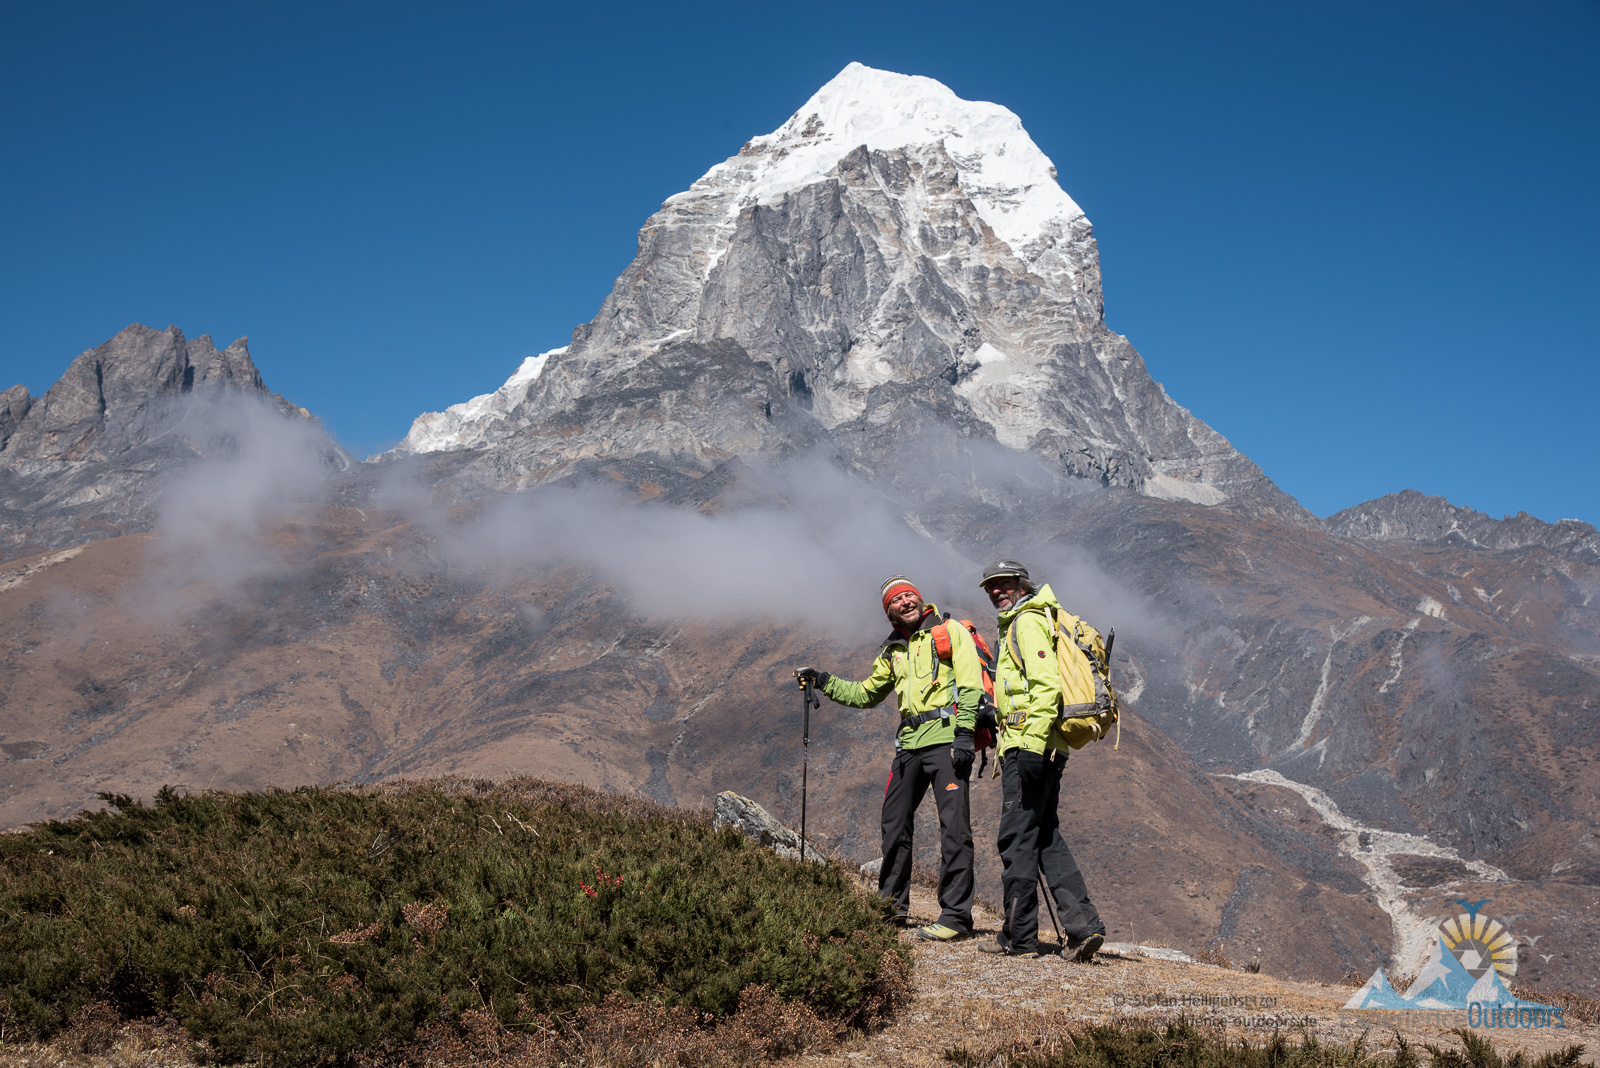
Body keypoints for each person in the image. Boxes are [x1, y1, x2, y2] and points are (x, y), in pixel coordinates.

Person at [796, 575, 981, 942]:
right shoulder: (892, 651)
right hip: (909, 744)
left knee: (954, 829)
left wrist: (964, 734)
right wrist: (823, 680)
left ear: (921, 598)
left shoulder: (949, 632)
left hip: (947, 740)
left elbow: (971, 682)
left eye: (910, 594)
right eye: (897, 600)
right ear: (889, 612)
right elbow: (866, 694)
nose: (906, 601)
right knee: (894, 824)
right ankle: (890, 910)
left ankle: (956, 917)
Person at [976, 559, 1107, 962]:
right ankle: (1083, 928)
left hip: (1031, 748)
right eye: (990, 587)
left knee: (1016, 837)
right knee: (1045, 833)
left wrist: (1030, 746)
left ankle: (1020, 937)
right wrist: (995, 713)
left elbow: (1046, 685)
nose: (996, 591)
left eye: (1003, 584)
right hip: (1043, 744)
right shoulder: (1026, 621)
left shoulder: (1026, 622)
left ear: (1021, 584)